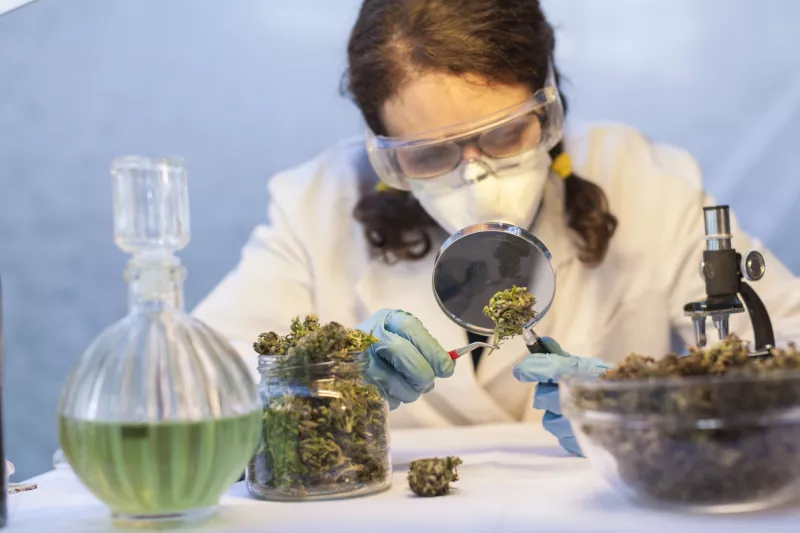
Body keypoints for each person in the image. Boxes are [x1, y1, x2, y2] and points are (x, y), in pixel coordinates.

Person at [193, 0, 800, 456]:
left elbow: (786, 355)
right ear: (383, 151)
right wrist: (324, 377)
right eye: (429, 154)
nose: (475, 176)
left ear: (549, 102)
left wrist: (641, 405)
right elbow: (197, 394)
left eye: (507, 133)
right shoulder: (315, 205)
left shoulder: (644, 181)